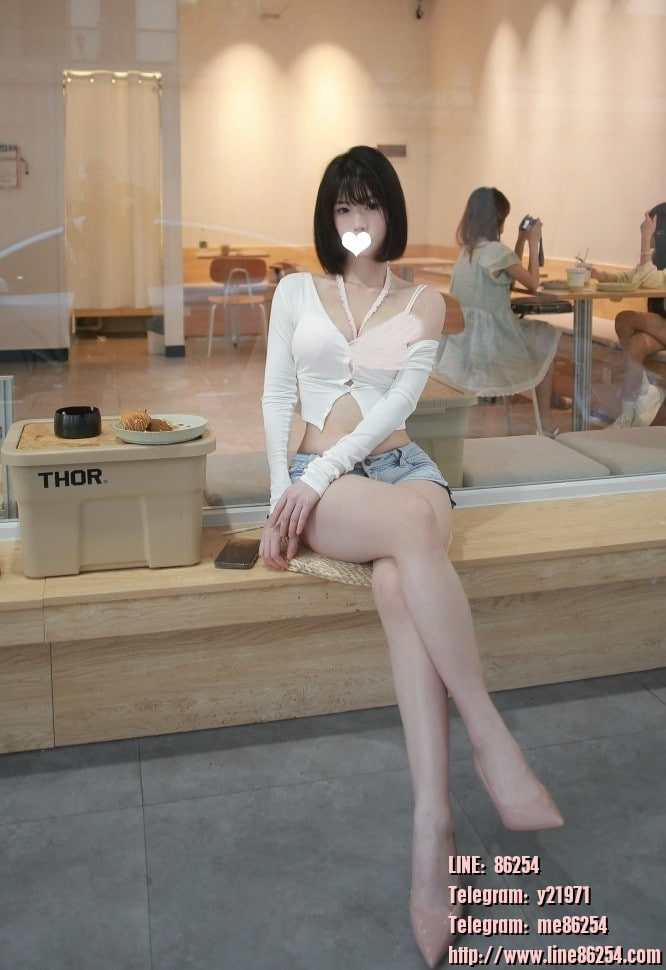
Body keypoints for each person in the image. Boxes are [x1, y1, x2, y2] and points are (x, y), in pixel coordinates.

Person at [260, 147, 563, 969]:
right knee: (409, 533)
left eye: (368, 206)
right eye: (342, 208)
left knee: (401, 574)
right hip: (326, 484)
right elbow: (278, 397)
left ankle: (434, 828)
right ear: (328, 217)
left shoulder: (423, 303)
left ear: (390, 212)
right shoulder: (296, 292)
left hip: (404, 470)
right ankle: (492, 742)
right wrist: (286, 492)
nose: (355, 222)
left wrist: (321, 468)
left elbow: (398, 402)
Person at [436, 187, 565, 433]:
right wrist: (534, 243)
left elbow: (508, 278)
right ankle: (546, 423)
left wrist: (520, 240)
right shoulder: (497, 251)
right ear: (498, 219)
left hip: (462, 341)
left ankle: (555, 401)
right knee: (545, 339)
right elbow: (532, 283)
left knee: (539, 342)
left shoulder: (468, 251)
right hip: (495, 339)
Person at [587, 205, 666, 428]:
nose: (646, 230)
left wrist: (644, 240)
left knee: (625, 318)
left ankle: (642, 393)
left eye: (650, 227)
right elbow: (628, 279)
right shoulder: (655, 259)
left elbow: (651, 280)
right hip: (661, 328)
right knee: (636, 345)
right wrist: (598, 274)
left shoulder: (650, 258)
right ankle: (629, 413)